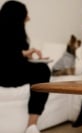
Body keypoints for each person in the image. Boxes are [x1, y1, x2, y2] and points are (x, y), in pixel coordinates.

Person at [0, 1, 50, 133]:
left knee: (42, 69)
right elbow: (6, 56)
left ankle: (31, 126)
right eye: (26, 13)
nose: (29, 17)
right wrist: (23, 53)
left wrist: (30, 57)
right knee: (42, 70)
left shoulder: (19, 33)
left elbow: (17, 58)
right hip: (4, 74)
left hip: (15, 72)